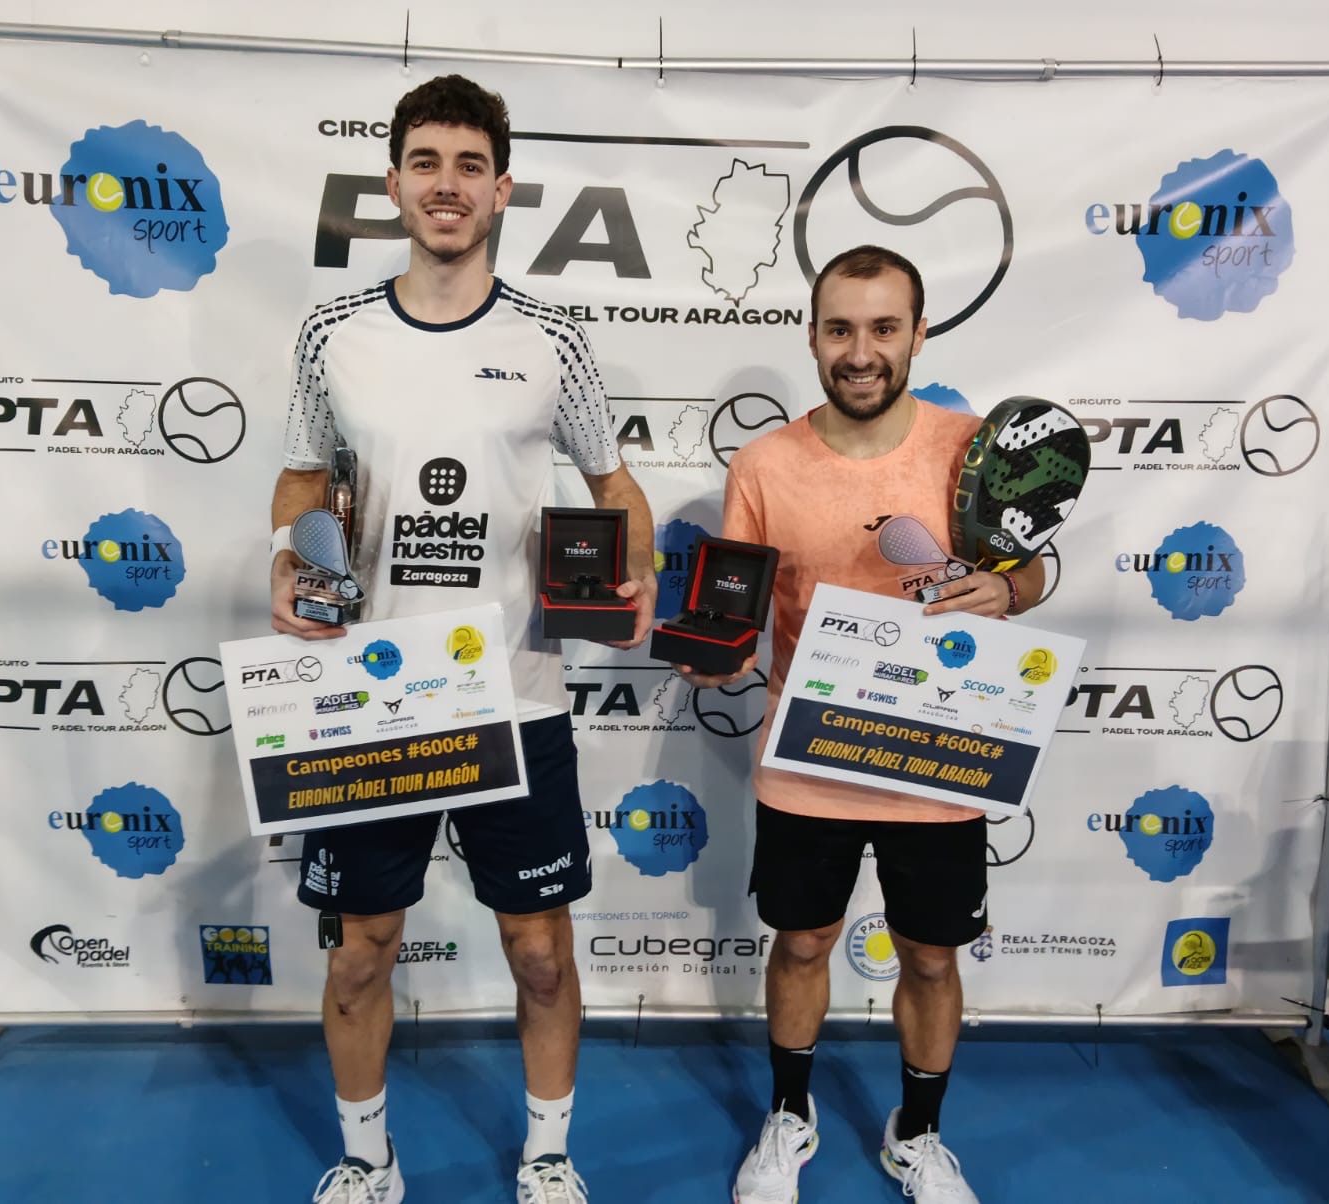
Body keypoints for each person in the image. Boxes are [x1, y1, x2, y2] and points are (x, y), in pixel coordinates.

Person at [271, 74, 655, 1204]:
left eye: (470, 166)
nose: (448, 185)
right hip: (372, 694)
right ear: (392, 183)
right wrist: (288, 560)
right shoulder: (331, 334)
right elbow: (301, 479)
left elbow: (614, 488)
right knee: (360, 954)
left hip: (516, 699)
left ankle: (548, 1155)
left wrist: (632, 567)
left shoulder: (553, 339)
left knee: (539, 953)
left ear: (502, 190)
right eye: (427, 163)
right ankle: (367, 1160)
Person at [677, 245, 1046, 1204]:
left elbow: (1034, 569)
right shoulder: (764, 464)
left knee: (930, 954)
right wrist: (714, 647)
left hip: (941, 755)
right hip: (811, 760)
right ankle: (789, 1116)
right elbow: (734, 605)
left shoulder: (972, 450)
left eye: (884, 328)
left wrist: (1009, 590)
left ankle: (917, 1134)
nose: (861, 351)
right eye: (840, 329)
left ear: (919, 333)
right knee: (802, 944)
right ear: (813, 336)